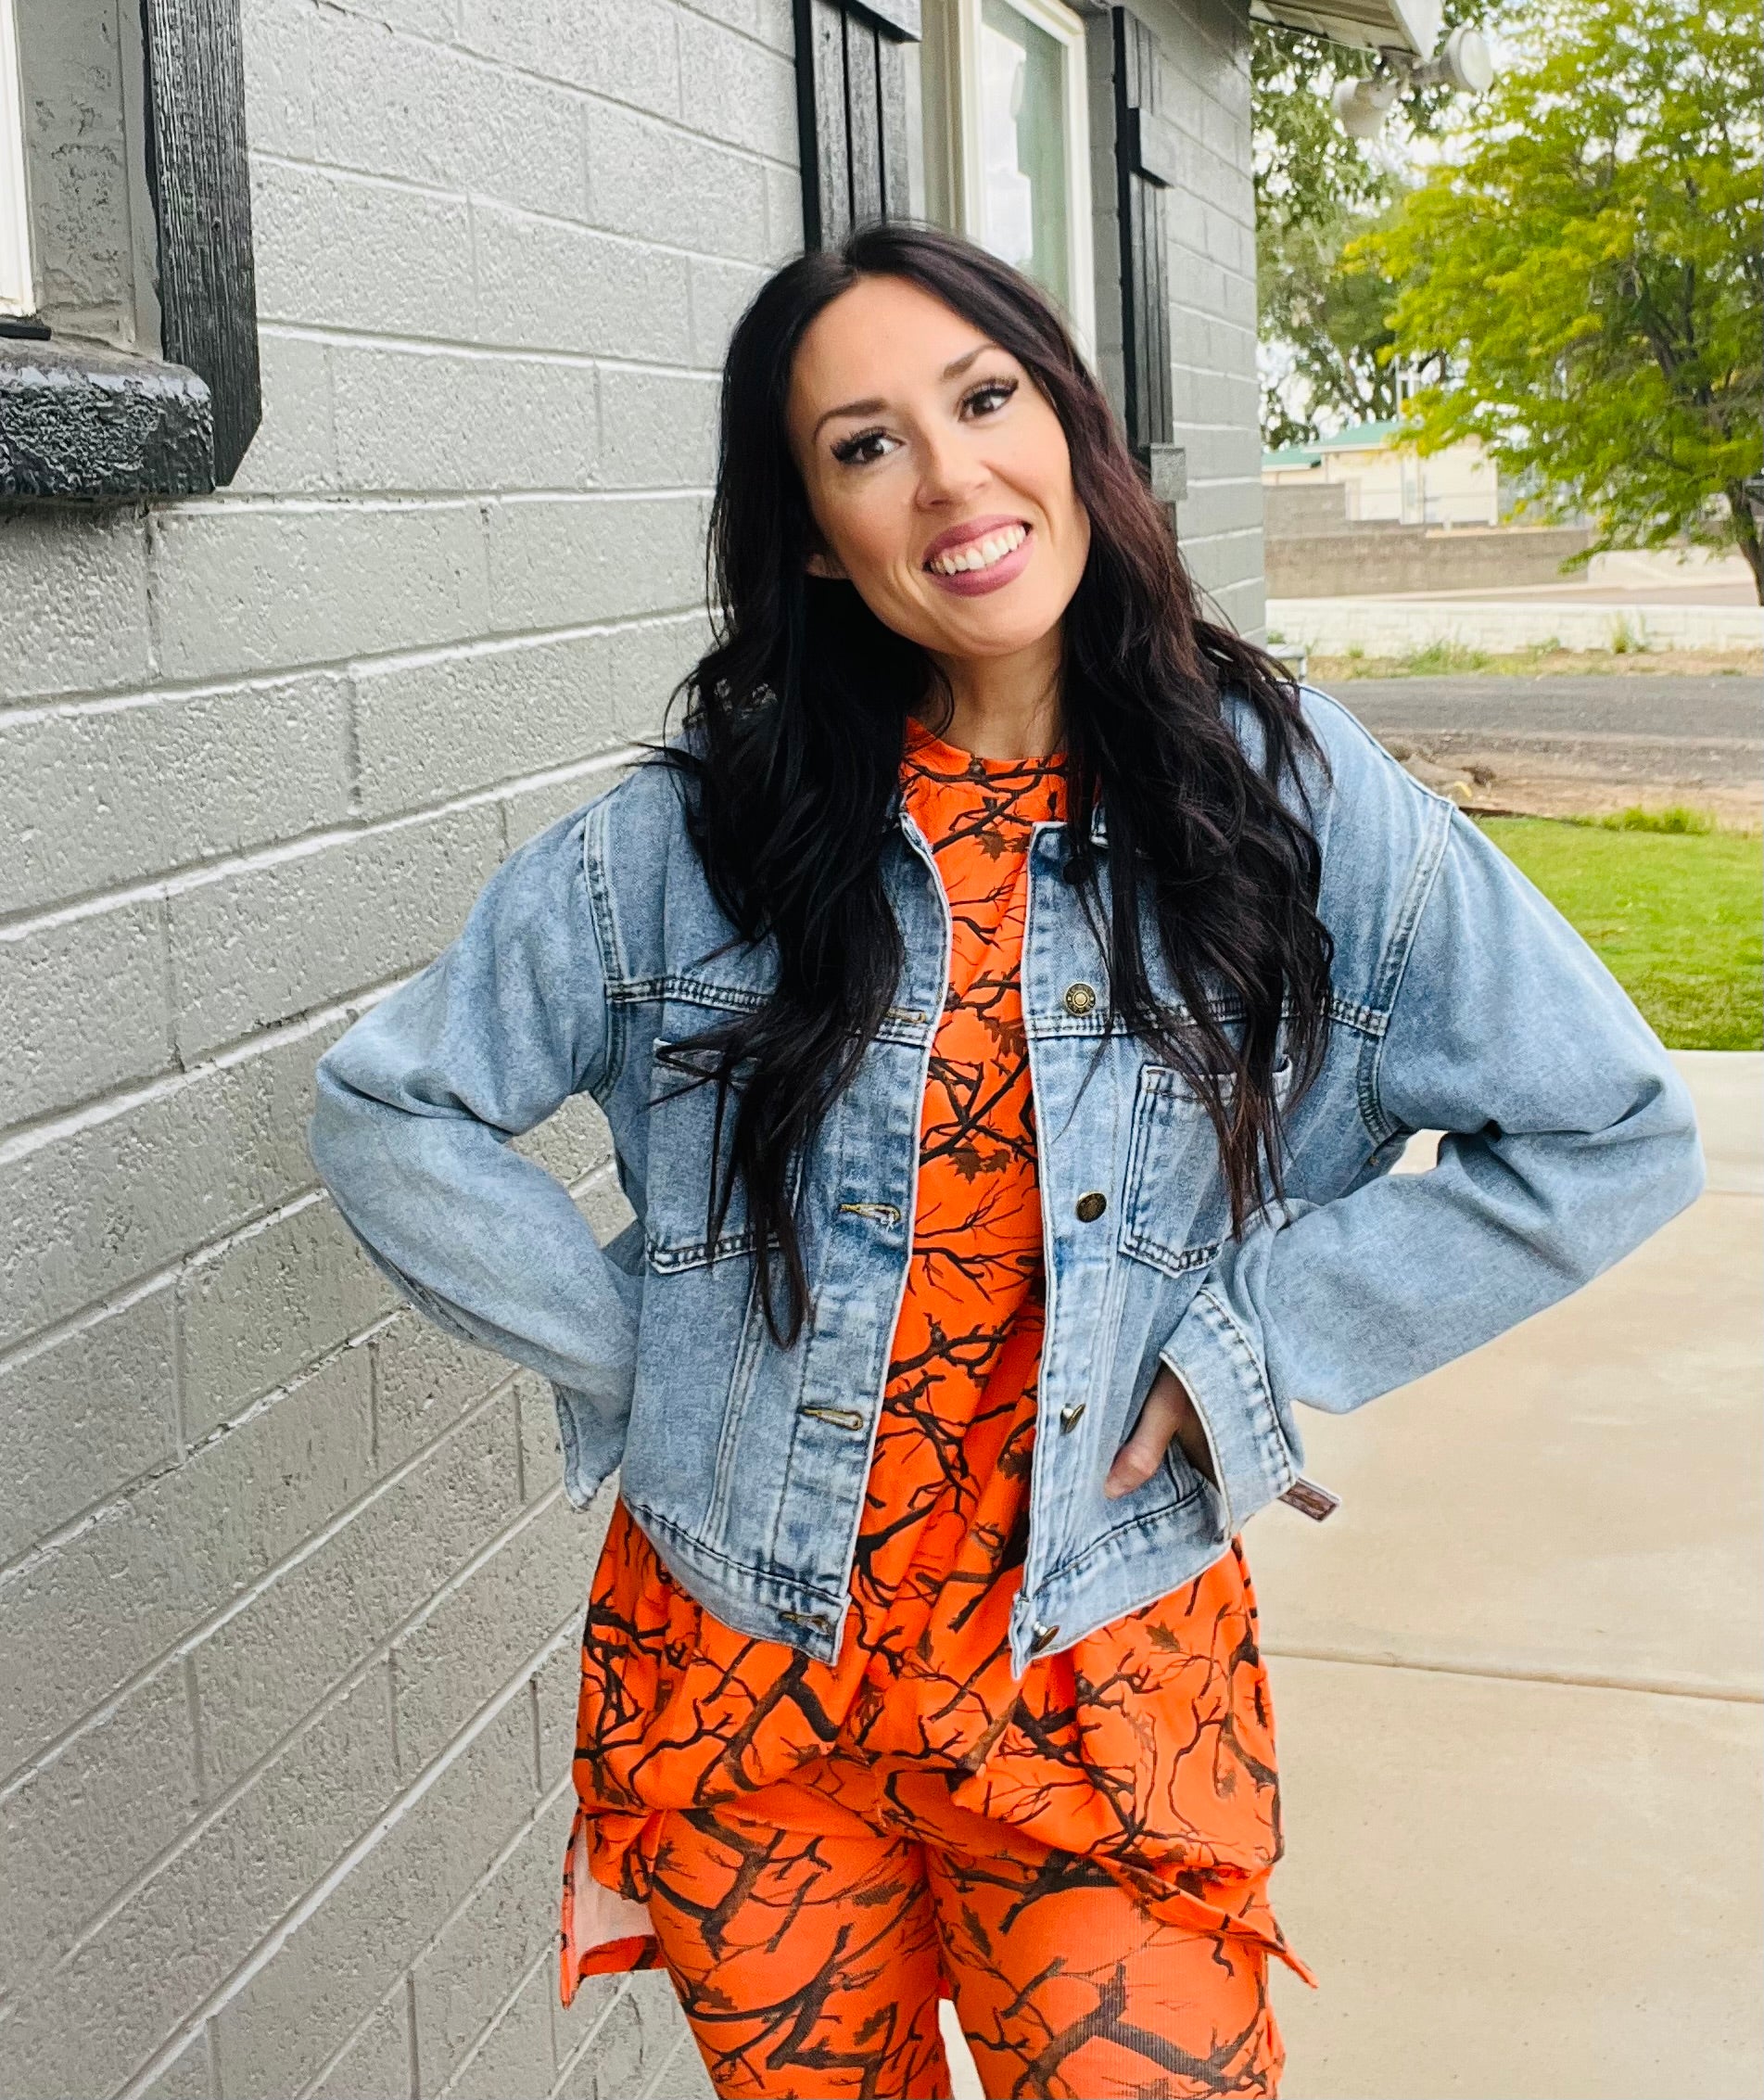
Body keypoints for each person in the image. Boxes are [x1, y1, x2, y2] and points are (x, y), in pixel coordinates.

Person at [308, 223, 1703, 2100]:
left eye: (985, 399)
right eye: (865, 443)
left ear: (1069, 425)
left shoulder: (1275, 793)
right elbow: (393, 1105)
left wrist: (1254, 1350)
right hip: (747, 1687)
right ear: (812, 529)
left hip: (1099, 1679)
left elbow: (1604, 1123)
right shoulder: (691, 840)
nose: (952, 475)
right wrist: (657, 1357)